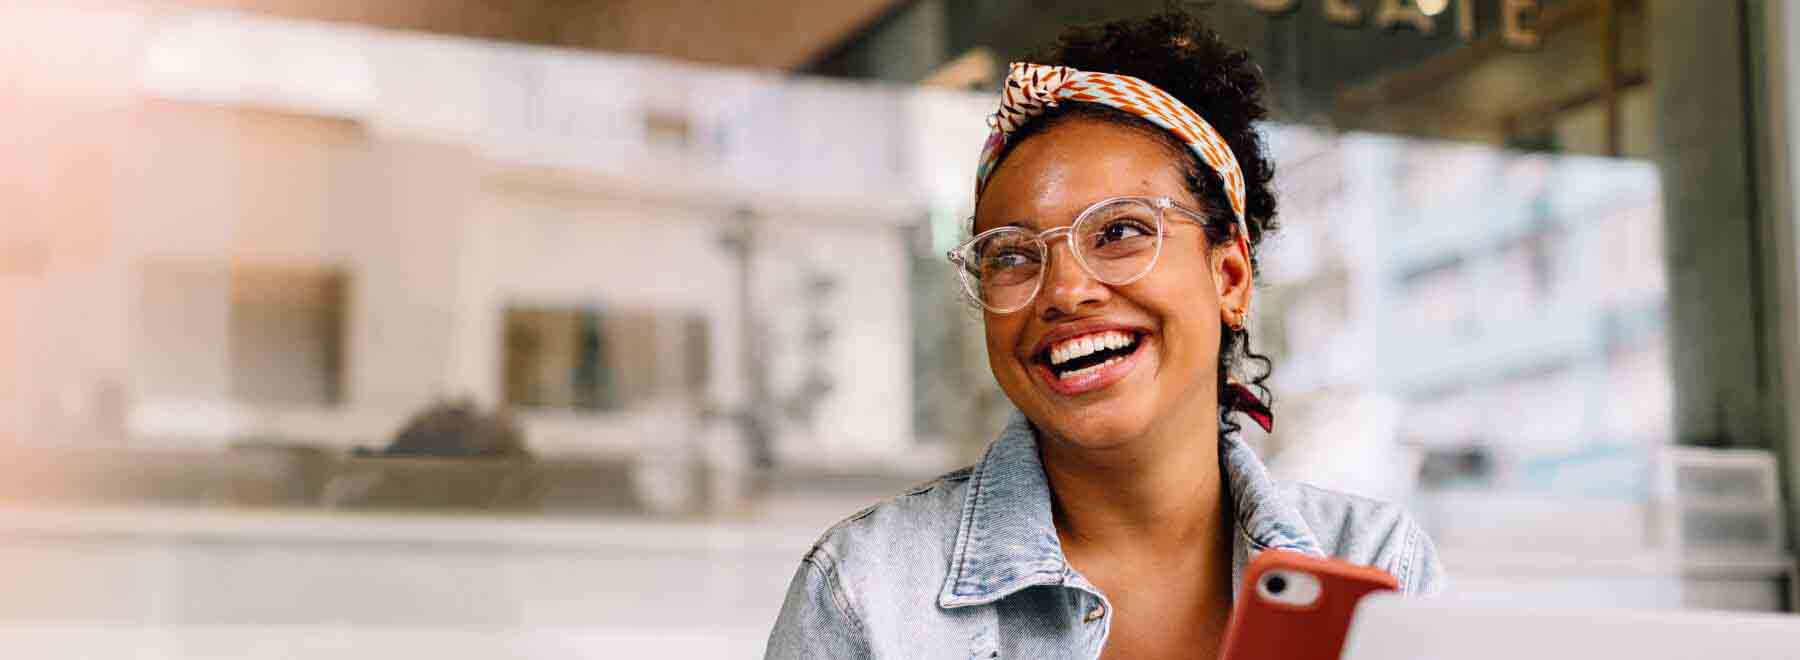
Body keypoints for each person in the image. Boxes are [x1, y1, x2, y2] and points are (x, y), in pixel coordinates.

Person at [765, 9, 1443, 659]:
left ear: (1230, 276)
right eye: (1012, 254)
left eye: (1120, 232)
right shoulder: (868, 594)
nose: (1064, 291)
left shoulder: (1375, 567)